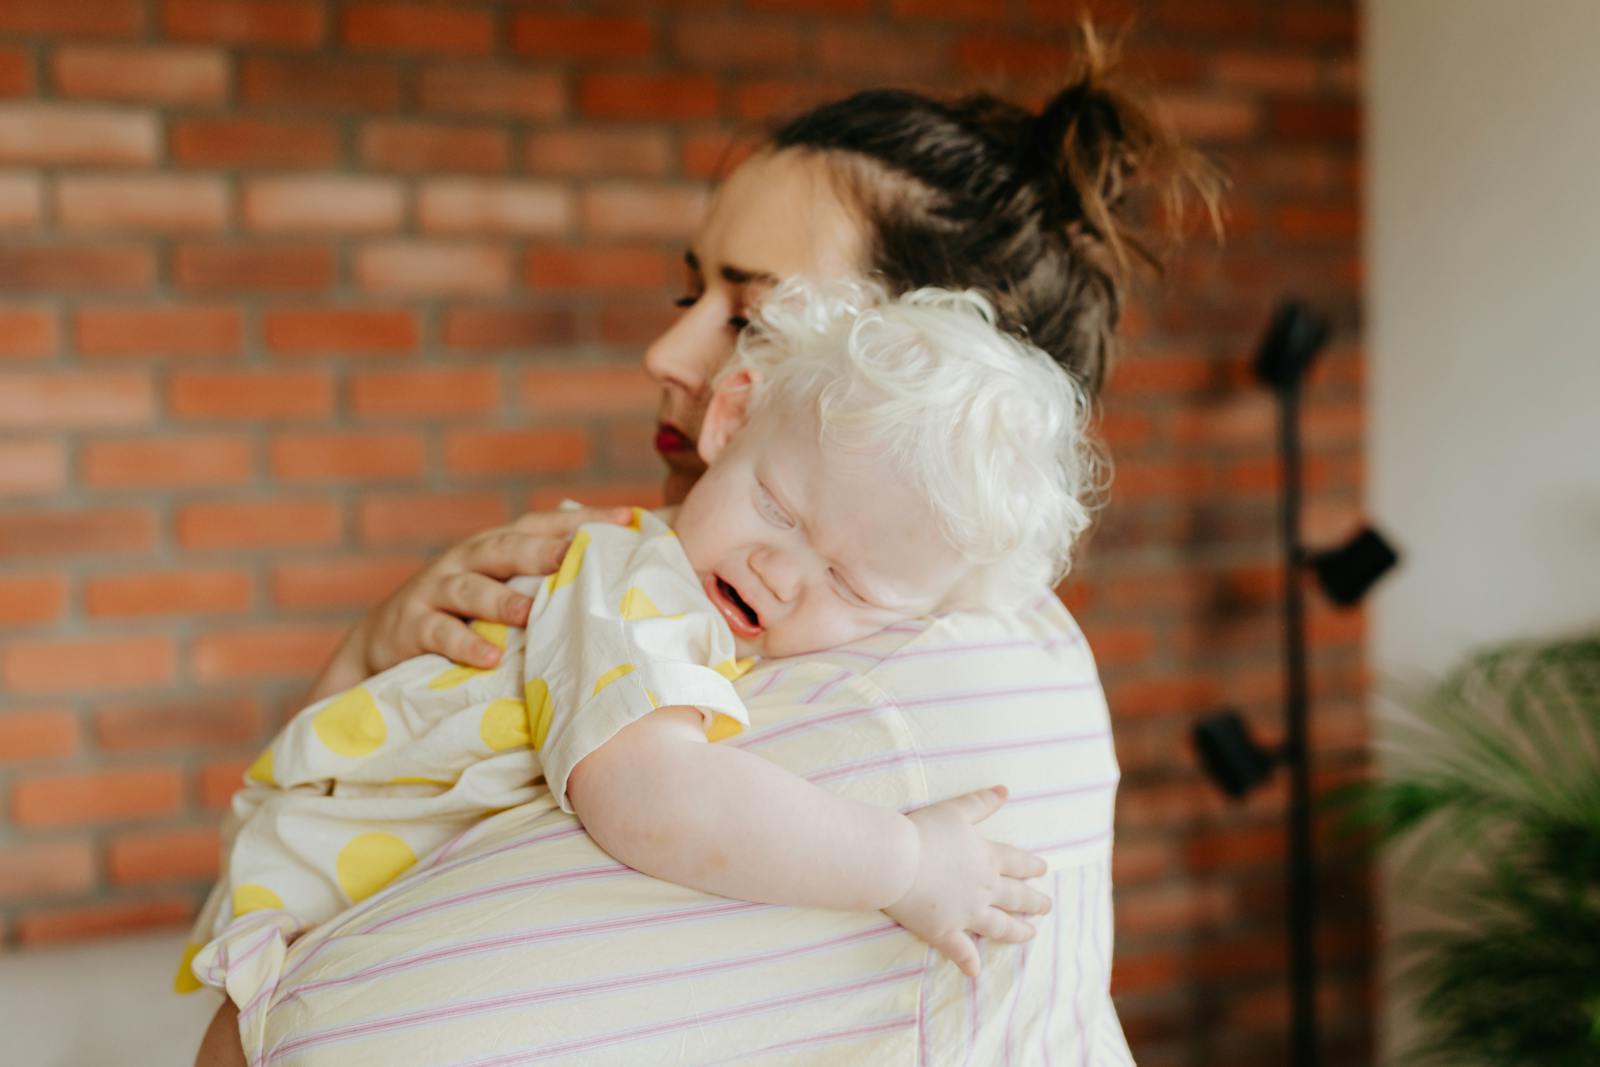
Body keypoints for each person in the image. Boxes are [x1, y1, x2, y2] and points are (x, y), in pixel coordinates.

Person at [195, 30, 1218, 1067]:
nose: (666, 352)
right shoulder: (654, 581)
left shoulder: (921, 683)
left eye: (752, 314)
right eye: (693, 294)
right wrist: (377, 648)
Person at [183, 281, 1097, 1011]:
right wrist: (904, 861)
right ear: (732, 419)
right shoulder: (631, 579)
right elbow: (650, 795)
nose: (780, 573)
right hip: (309, 903)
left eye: (851, 587)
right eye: (777, 506)